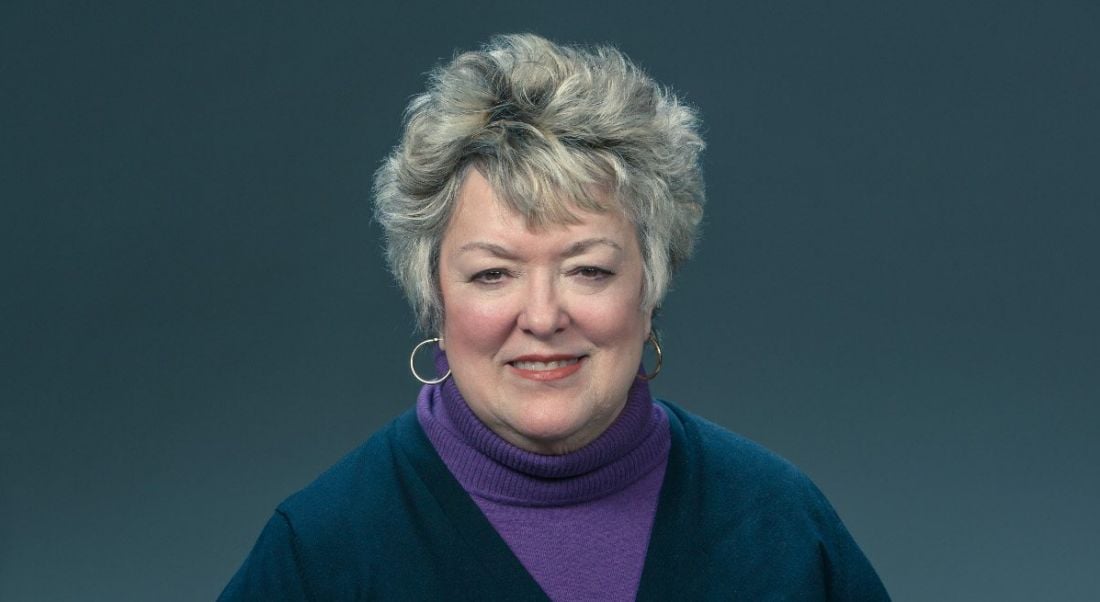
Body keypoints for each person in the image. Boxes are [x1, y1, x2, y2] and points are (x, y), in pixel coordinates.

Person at [220, 34, 889, 601]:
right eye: (492, 274)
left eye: (588, 270)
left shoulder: (780, 529)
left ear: (651, 286)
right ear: (433, 296)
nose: (542, 317)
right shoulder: (321, 553)